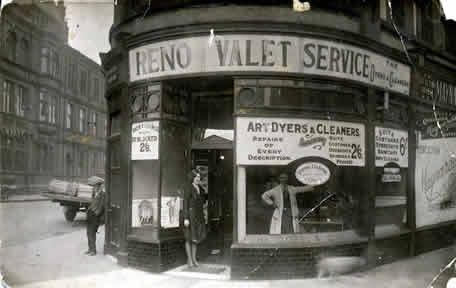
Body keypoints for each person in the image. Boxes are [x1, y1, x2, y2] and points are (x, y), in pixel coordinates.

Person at [182, 169, 207, 267]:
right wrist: (186, 218)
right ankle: (190, 260)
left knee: (195, 239)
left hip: (198, 216)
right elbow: (185, 204)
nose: (198, 178)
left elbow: (203, 201)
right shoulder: (188, 188)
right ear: (192, 177)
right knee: (188, 238)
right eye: (196, 177)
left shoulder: (200, 188)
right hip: (190, 216)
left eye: (199, 177)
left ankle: (194, 259)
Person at [85, 176, 105, 256]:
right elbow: (92, 203)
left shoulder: (103, 195)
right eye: (93, 186)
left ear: (99, 186)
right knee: (88, 233)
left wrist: (97, 214)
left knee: (92, 233)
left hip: (95, 217)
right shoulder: (94, 194)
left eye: (95, 186)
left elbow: (102, 207)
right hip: (90, 216)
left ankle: (93, 251)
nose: (93, 188)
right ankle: (90, 249)